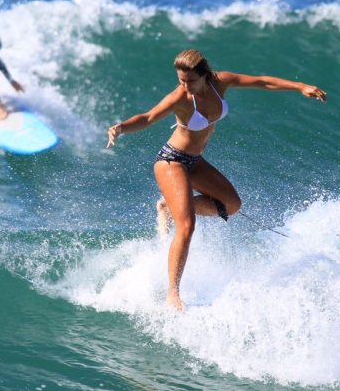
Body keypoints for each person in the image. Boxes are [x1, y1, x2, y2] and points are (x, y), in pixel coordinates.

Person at [106, 50, 326, 310]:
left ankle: (169, 205)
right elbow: (148, 117)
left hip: (195, 162)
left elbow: (262, 81)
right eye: (181, 80)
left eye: (190, 80)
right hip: (171, 161)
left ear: (205, 75)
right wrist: (120, 128)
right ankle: (173, 293)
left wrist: (300, 87)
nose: (185, 86)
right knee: (186, 227)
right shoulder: (181, 97)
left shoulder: (221, 82)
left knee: (231, 205)